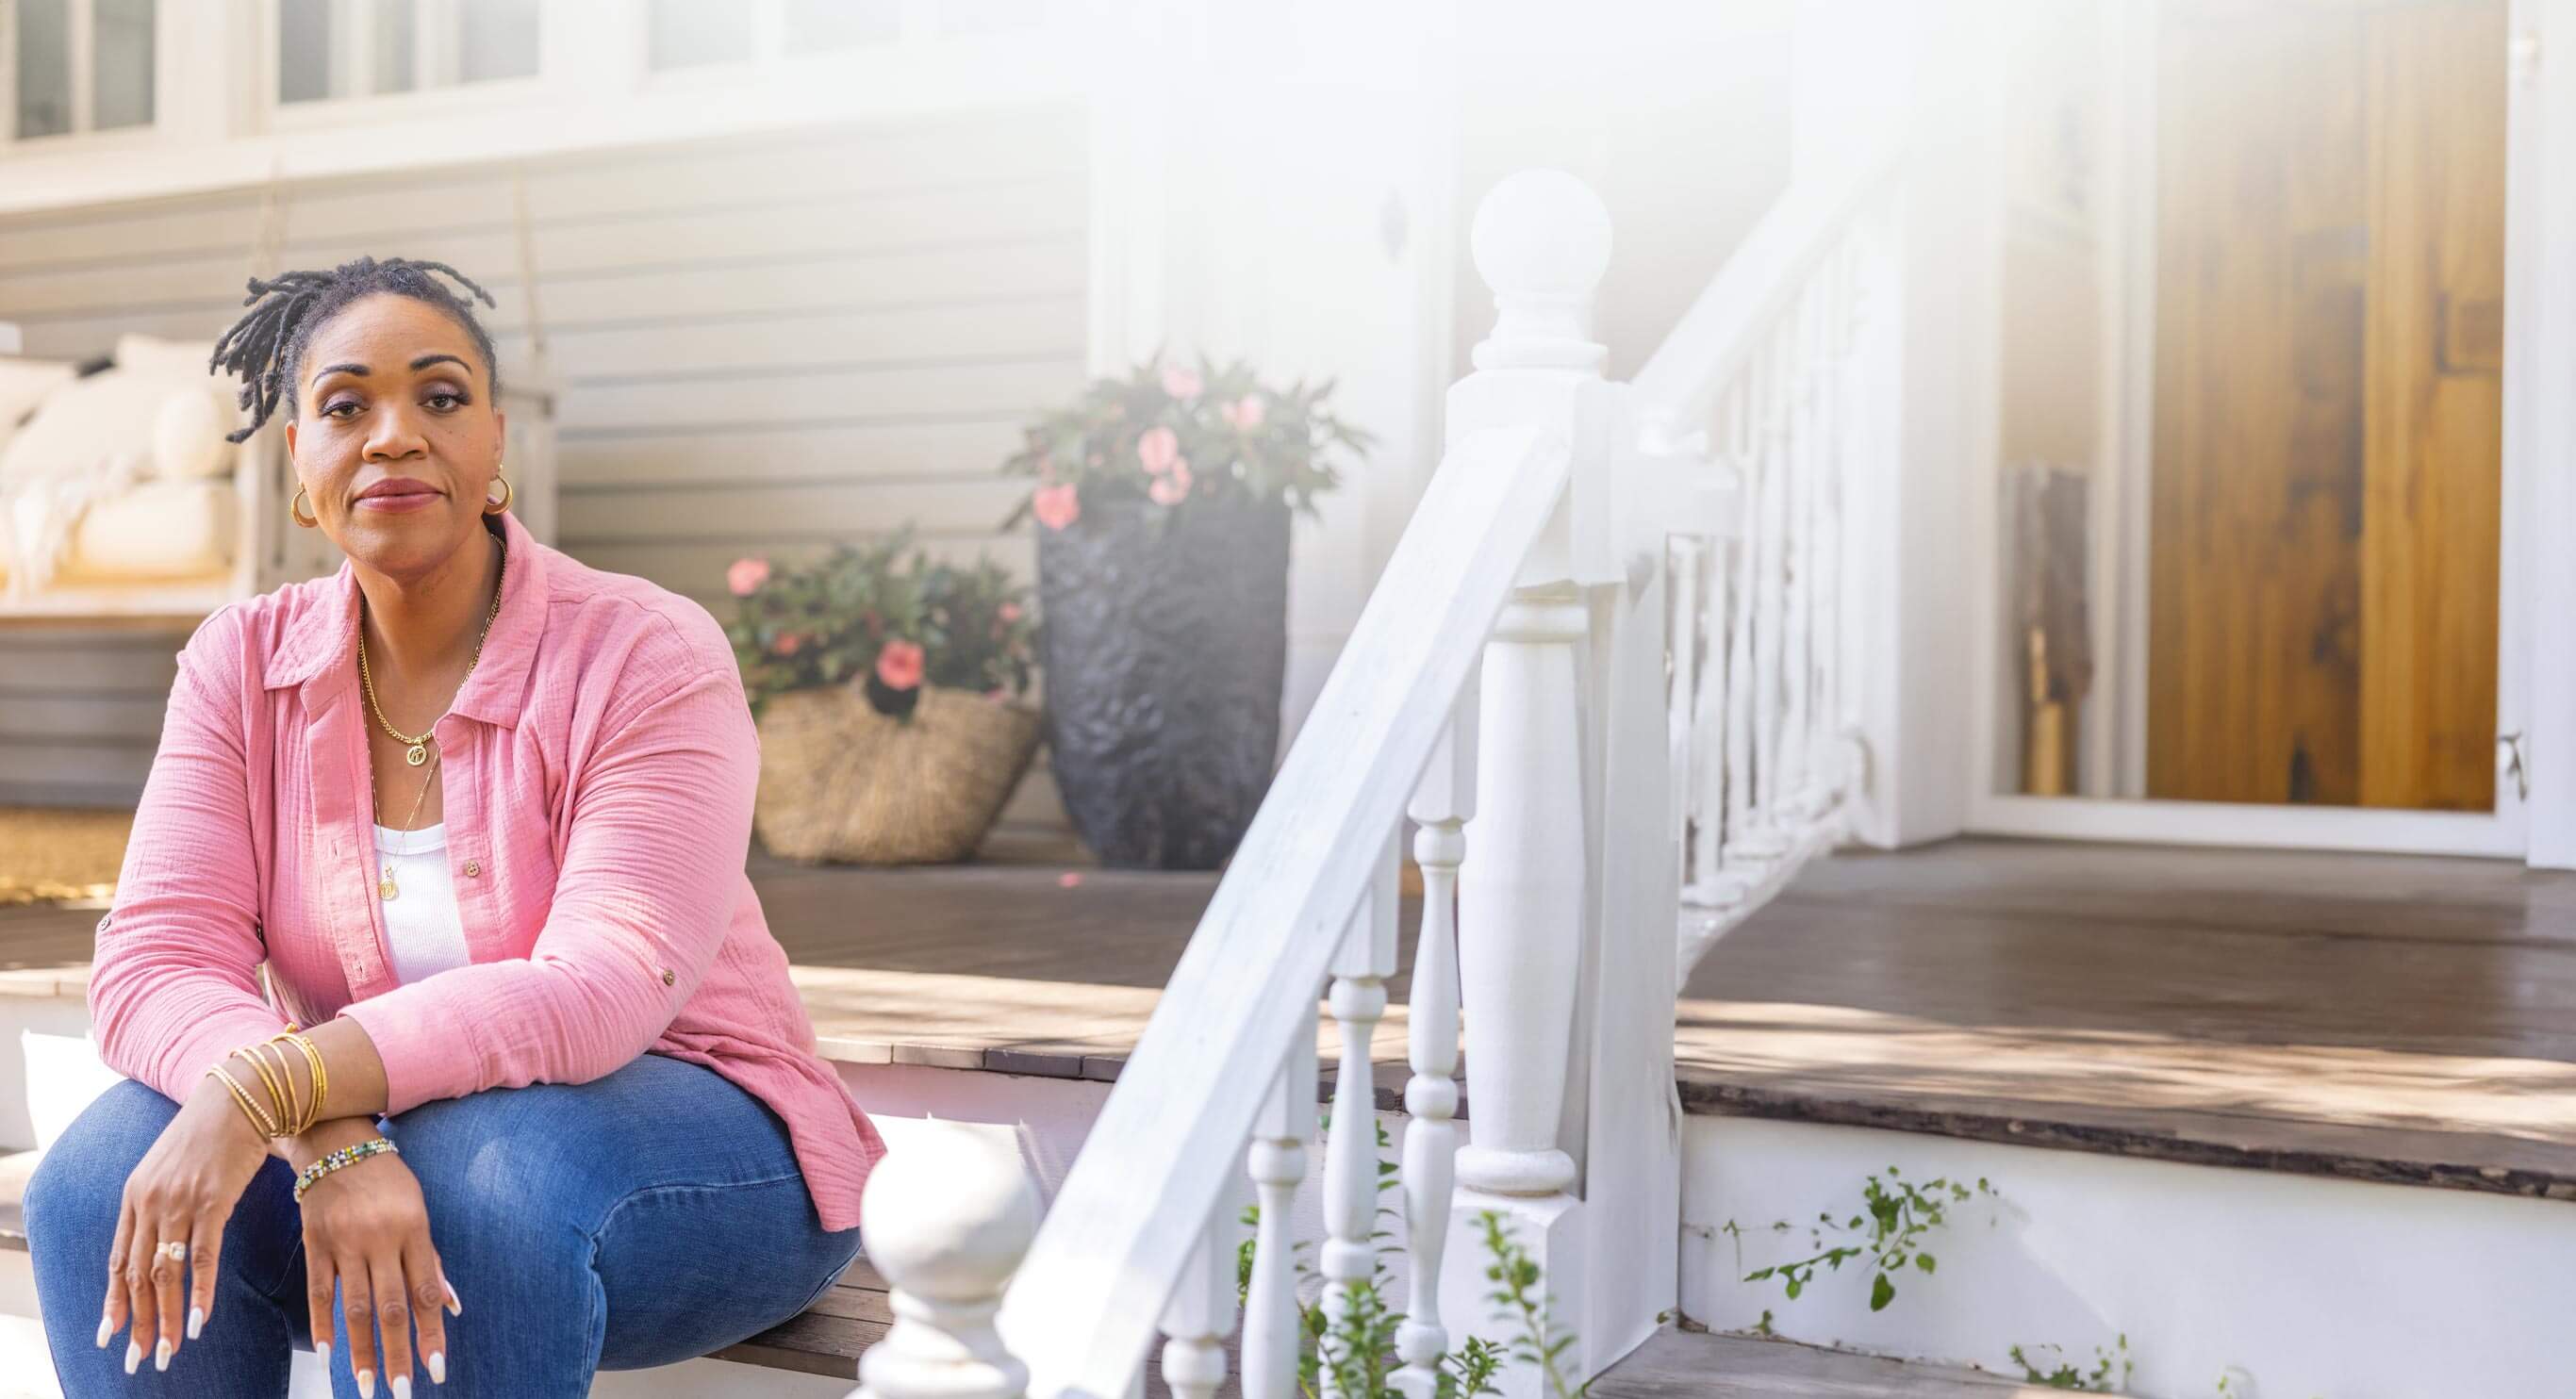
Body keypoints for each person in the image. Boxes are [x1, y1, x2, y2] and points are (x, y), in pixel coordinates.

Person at [22, 256, 883, 1397]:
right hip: (380, 1122)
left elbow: (603, 983)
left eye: (438, 398)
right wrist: (325, 1127)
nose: (391, 435)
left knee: (479, 1188)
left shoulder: (643, 651)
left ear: (493, 452)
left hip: (695, 1135)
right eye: (344, 405)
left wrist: (266, 1089)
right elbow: (154, 961)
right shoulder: (241, 663)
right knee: (93, 1181)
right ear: (299, 467)